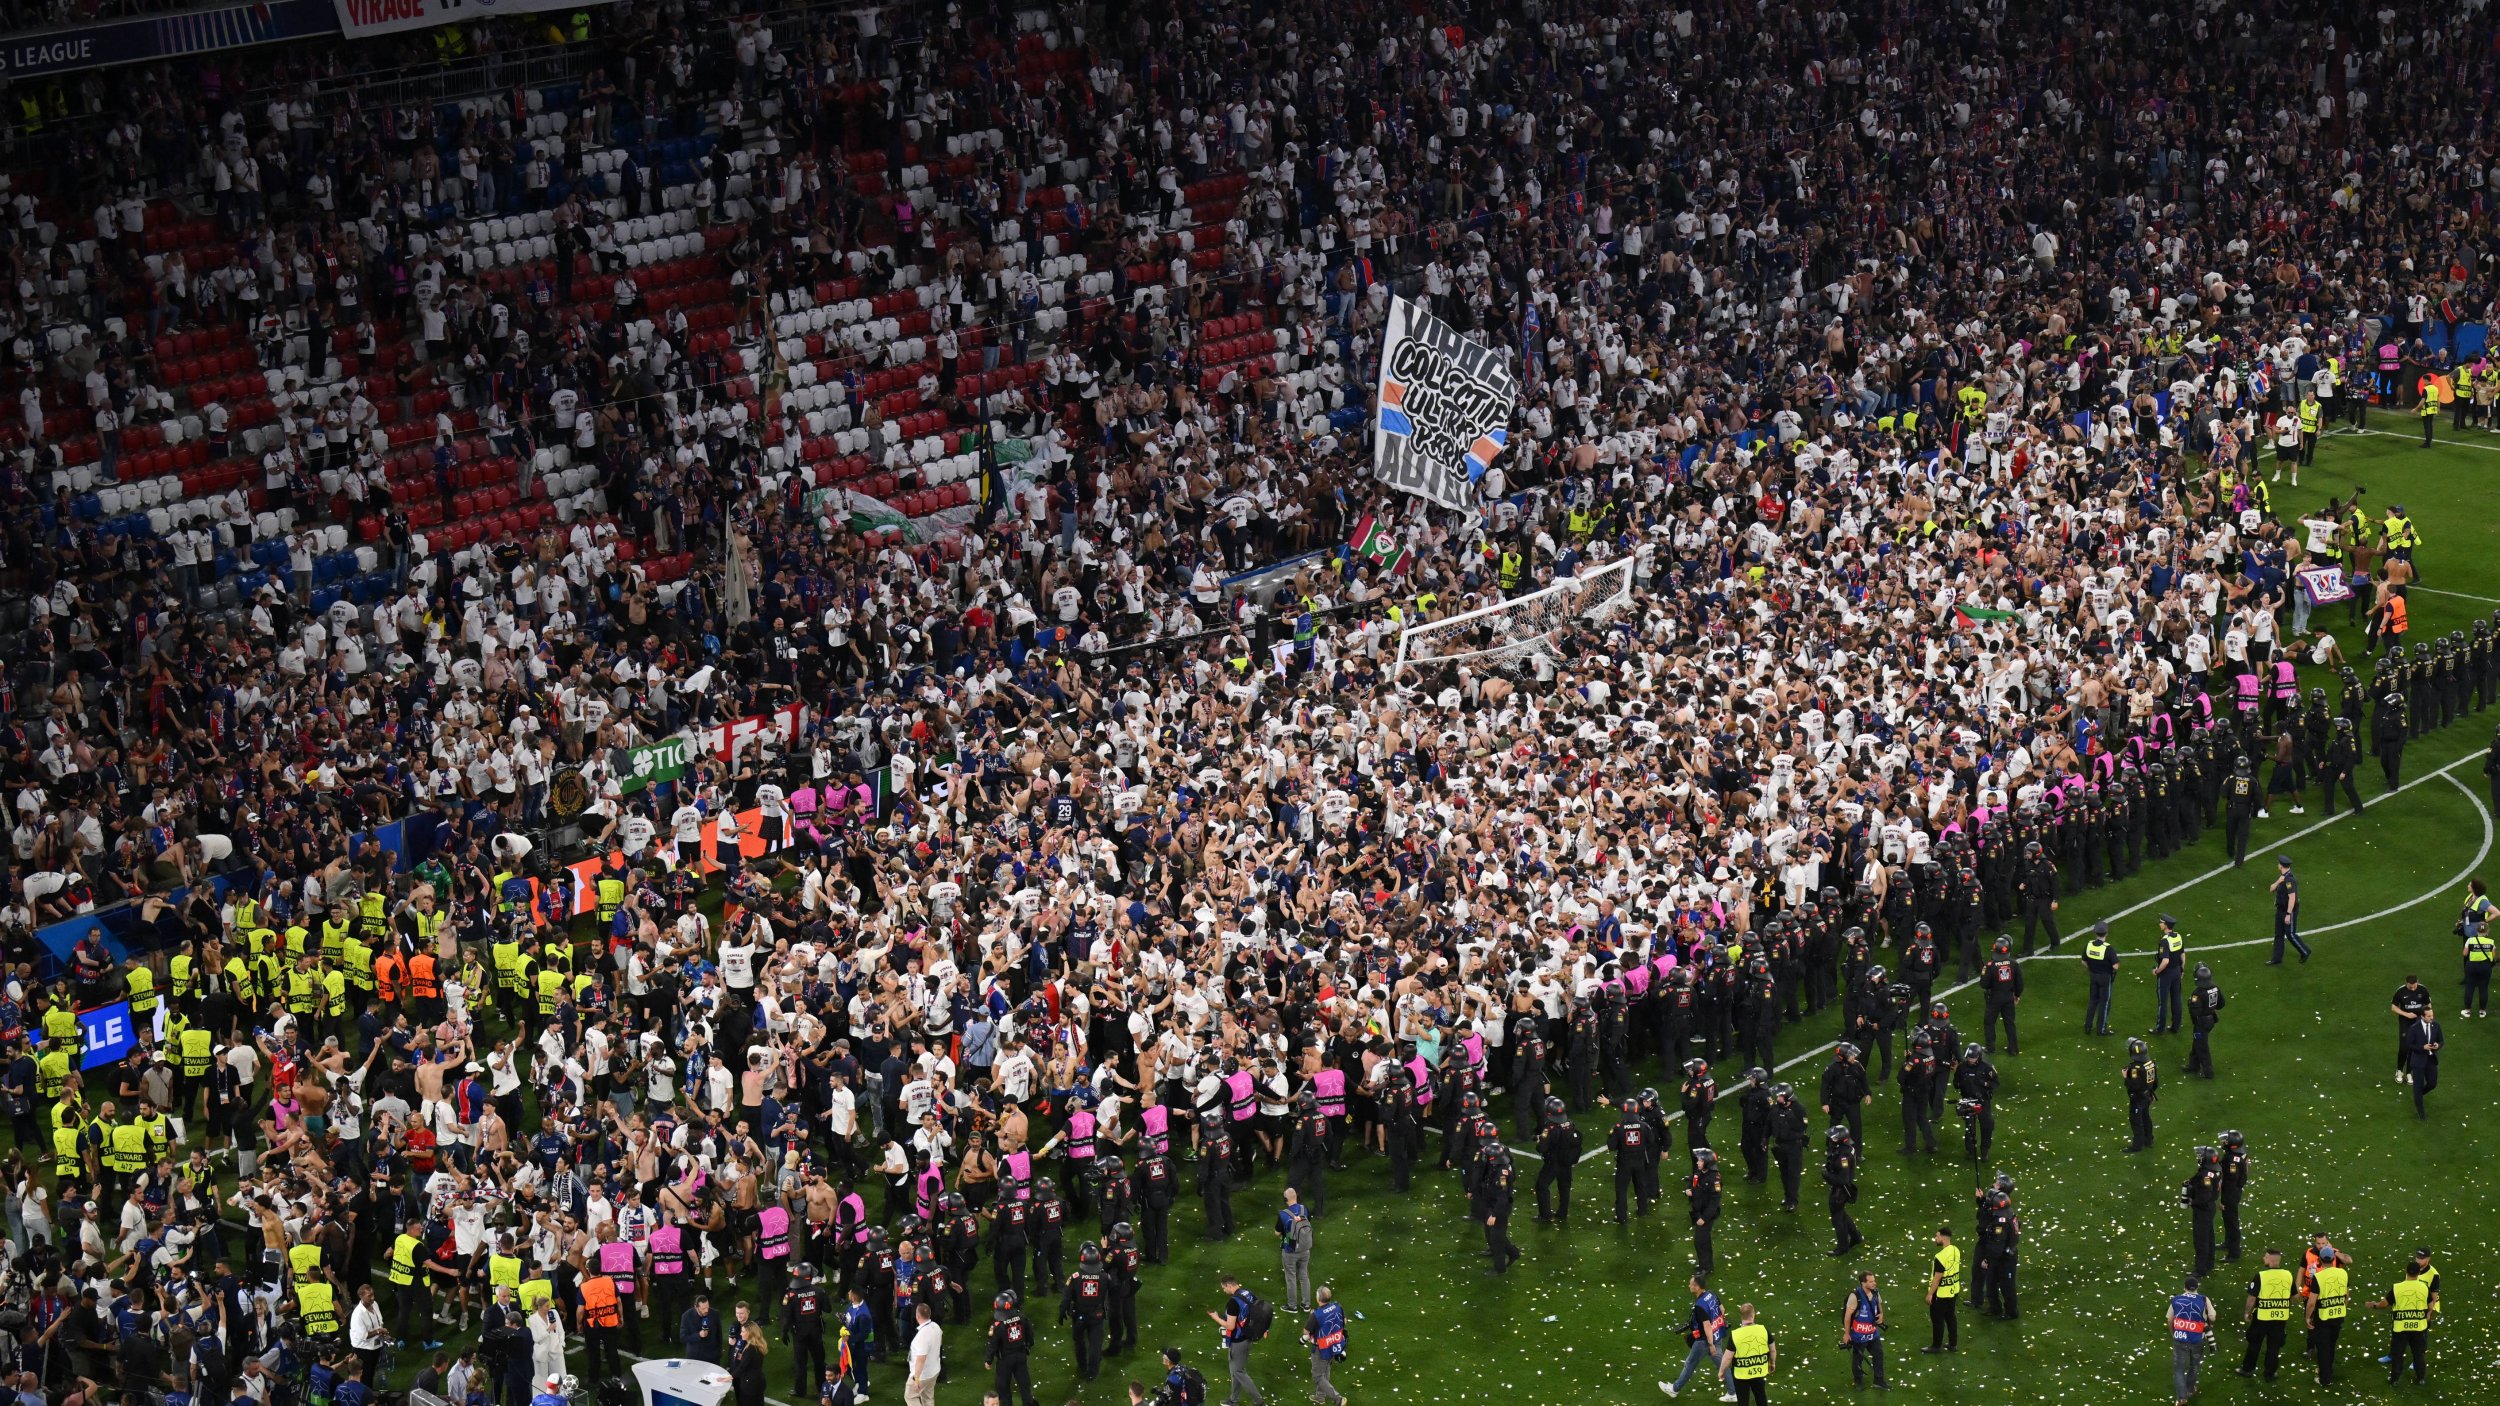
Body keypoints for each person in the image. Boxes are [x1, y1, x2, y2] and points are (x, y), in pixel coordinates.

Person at [1659, 1274, 1731, 1399]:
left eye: (1691, 1284)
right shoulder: (1712, 1294)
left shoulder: (1700, 1305)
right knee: (1722, 1364)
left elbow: (1707, 1326)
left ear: (1697, 1287)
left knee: (1690, 1363)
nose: (1689, 1286)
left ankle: (1674, 1389)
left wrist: (1710, 1344)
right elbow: (1722, 1309)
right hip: (1717, 1334)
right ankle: (1733, 1392)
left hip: (1705, 1341)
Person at [2370, 1261, 2434, 1385]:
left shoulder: (2397, 1288)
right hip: (2418, 1327)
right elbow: (2430, 1305)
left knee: (2397, 1354)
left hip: (2401, 1328)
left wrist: (2374, 1305)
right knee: (2418, 1354)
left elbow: (2384, 1304)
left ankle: (2394, 1379)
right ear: (2419, 1273)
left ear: (2406, 1271)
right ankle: (2421, 1378)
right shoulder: (2424, 1288)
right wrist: (2427, 1316)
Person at [2237, 1248, 2295, 1381]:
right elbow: (2294, 1296)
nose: (2263, 1259)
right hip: (2280, 1317)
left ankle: (2248, 1369)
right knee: (2274, 1347)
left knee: (2254, 1344)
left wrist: (2247, 1313)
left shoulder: (2261, 1276)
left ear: (2270, 1259)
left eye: (2265, 1257)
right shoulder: (2288, 1275)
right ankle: (2270, 1373)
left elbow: (2252, 1298)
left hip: (2261, 1318)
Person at [1209, 1274, 1265, 1406]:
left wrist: (1215, 1318)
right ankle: (1233, 1399)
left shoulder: (1233, 1302)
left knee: (1238, 1371)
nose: (1224, 1291)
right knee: (1235, 1370)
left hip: (1238, 1341)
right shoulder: (1248, 1293)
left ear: (1229, 1285)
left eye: (1224, 1288)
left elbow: (1230, 1326)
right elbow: (1258, 1309)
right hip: (1248, 1336)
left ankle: (1259, 1401)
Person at [2304, 1248, 2350, 1386]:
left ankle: (2325, 1379)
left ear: (2319, 1260)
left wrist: (2307, 1317)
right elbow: (2346, 1296)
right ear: (2333, 1259)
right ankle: (2328, 1370)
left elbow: (2311, 1302)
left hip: (2323, 1318)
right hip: (2338, 1315)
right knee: (2331, 1345)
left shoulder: (2319, 1277)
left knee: (2323, 1348)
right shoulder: (2343, 1273)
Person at [2169, 1274, 2216, 1406]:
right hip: (2197, 1339)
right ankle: (2190, 1389)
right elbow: (2212, 1317)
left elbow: (2170, 1319)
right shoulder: (2203, 1299)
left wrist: (2174, 1332)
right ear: (2197, 1287)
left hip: (2180, 1338)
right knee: (2194, 1365)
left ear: (2184, 1287)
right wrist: (2209, 1326)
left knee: (2179, 1368)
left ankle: (2181, 1398)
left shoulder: (2176, 1299)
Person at [984, 1291, 1036, 1406]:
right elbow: (1030, 1334)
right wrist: (1028, 1345)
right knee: (1025, 1386)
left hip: (1004, 1361)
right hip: (1021, 1356)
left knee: (1003, 1390)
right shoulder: (1022, 1318)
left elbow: (993, 1344)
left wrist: (989, 1360)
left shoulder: (997, 1326)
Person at [1719, 1303, 1775, 1406]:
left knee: (1743, 1402)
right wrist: (1772, 1363)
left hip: (1741, 1375)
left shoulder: (1736, 1334)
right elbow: (1772, 1350)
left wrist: (1722, 1371)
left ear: (1741, 1316)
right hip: (1759, 1371)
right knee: (1761, 1398)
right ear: (1753, 1314)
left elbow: (1727, 1357)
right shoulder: (1763, 1330)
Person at [1301, 1287, 1347, 1406]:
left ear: (1318, 1298)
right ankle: (1320, 1397)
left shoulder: (1316, 1315)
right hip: (1335, 1344)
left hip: (1321, 1348)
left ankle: (1338, 1399)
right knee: (1326, 1369)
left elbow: (1306, 1331)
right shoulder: (1338, 1306)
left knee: (1317, 1376)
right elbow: (1344, 1321)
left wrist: (1313, 1318)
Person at [1841, 1272, 1886, 1390]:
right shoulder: (1855, 1296)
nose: (1874, 1283)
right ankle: (1858, 1380)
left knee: (1878, 1355)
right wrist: (1846, 1334)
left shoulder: (1875, 1292)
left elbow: (1879, 1306)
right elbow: (1847, 1316)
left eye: (1874, 1280)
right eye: (1871, 1281)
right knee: (1857, 1359)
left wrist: (1881, 1315)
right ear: (1863, 1283)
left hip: (1872, 1333)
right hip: (1858, 1335)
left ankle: (1879, 1380)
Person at [1821, 1126, 1862, 1257]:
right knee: (1841, 1214)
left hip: (1840, 1191)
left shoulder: (1843, 1156)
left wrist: (1827, 1175)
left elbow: (1842, 1179)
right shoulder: (1846, 1149)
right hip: (1841, 1189)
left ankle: (1842, 1247)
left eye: (1834, 1138)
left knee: (1837, 1219)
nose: (1831, 1140)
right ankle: (1856, 1237)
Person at [2401, 1003, 2444, 1118]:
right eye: (2429, 1016)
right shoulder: (2414, 1028)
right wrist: (2422, 1047)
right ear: (2422, 1016)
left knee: (2432, 1083)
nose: (2432, 1018)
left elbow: (2441, 1041)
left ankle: (2418, 1095)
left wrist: (2437, 1045)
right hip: (2418, 1061)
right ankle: (2421, 1113)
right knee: (2418, 1086)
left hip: (2431, 1059)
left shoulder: (2436, 1026)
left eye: (2432, 1015)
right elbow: (2409, 1044)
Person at [2184, 1147, 2222, 1278]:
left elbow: (2205, 1196)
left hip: (2203, 1209)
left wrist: (2192, 1202)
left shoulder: (2206, 1175)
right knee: (2209, 1236)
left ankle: (2200, 1269)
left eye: (2201, 1156)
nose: (2198, 1158)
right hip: (2209, 1207)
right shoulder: (2215, 1170)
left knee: (2201, 1240)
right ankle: (2209, 1263)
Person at [1923, 1228, 1961, 1354]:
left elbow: (1938, 1277)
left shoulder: (1940, 1257)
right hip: (1953, 1290)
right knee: (1950, 1317)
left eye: (1937, 1236)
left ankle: (1936, 1346)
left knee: (1937, 1319)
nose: (1935, 1238)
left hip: (1941, 1294)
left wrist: (1930, 1294)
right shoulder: (1956, 1250)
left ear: (1943, 1238)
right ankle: (1952, 1344)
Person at [1274, 1188, 1313, 1315]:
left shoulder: (1283, 1214)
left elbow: (1277, 1233)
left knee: (1291, 1277)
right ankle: (1306, 1304)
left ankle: (1292, 1306)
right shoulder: (1304, 1209)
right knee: (1304, 1275)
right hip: (1305, 1249)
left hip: (1290, 1251)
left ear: (1285, 1199)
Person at [2389, 974, 2433, 1083]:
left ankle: (2409, 1072)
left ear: (2417, 981)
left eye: (2414, 986)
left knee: (2414, 1048)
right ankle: (2399, 1070)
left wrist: (2427, 1019)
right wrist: (2406, 1014)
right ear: (2406, 983)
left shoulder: (2423, 990)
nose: (2413, 988)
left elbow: (2428, 1006)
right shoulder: (2400, 992)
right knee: (2404, 1047)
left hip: (2419, 1022)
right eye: (2410, 987)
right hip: (2405, 1022)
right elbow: (2393, 1007)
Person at [2268, 857, 2311, 963]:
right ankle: (2276, 959)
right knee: (2278, 934)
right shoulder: (2282, 878)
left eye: (2278, 863)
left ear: (2281, 865)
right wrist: (2278, 881)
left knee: (2290, 934)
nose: (2277, 864)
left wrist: (2288, 914)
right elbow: (2271, 889)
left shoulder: (2289, 880)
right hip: (2280, 909)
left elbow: (2292, 898)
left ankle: (2305, 951)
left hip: (2288, 911)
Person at [2184, 965, 2223, 1079]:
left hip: (2200, 1023)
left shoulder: (2198, 993)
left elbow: (2195, 1012)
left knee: (2202, 1046)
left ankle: (2208, 1072)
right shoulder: (2215, 988)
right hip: (2210, 1020)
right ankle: (2193, 1065)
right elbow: (2221, 1004)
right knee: (2197, 1042)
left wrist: (2190, 1004)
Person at [2150, 916, 2187, 1034]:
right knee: (2176, 999)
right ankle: (2175, 1026)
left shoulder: (2164, 940)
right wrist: (2181, 970)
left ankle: (2160, 1029)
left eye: (2161, 922)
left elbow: (2165, 961)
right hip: (2177, 971)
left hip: (2166, 974)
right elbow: (2183, 955)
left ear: (2166, 925)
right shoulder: (2178, 937)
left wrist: (2157, 971)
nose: (2159, 924)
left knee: (2163, 1002)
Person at [2081, 921, 2120, 1036]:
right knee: (2104, 1003)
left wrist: (2092, 969)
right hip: (2105, 977)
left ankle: (2088, 1026)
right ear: (2106, 933)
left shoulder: (2089, 944)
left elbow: (2083, 961)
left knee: (2093, 1001)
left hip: (2093, 976)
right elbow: (2115, 966)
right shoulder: (2108, 948)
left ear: (2095, 933)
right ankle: (2101, 1029)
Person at [2123, 1037, 2160, 1152]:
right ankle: (2148, 1140)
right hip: (2147, 1095)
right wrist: (2151, 1092)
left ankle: (2137, 1146)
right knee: (2146, 1117)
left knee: (2136, 1121)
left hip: (2138, 1098)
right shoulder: (2151, 1063)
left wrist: (2126, 1076)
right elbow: (2155, 1081)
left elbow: (2134, 1085)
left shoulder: (2134, 1069)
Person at [905, 1302, 943, 1406]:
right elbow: (939, 1343)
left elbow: (921, 1359)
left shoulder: (922, 1336)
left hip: (923, 1375)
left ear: (917, 1316)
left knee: (910, 1396)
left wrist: (916, 1379)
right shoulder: (936, 1327)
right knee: (928, 1398)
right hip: (934, 1370)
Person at [2462, 917, 2494, 1016]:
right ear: (2487, 931)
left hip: (2471, 966)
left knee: (2469, 987)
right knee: (2483, 988)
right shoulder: (2491, 942)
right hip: (2485, 967)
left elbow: (2464, 954)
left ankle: (2467, 1011)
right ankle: (2482, 1011)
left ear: (2477, 930)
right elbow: (2493, 956)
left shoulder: (2470, 940)